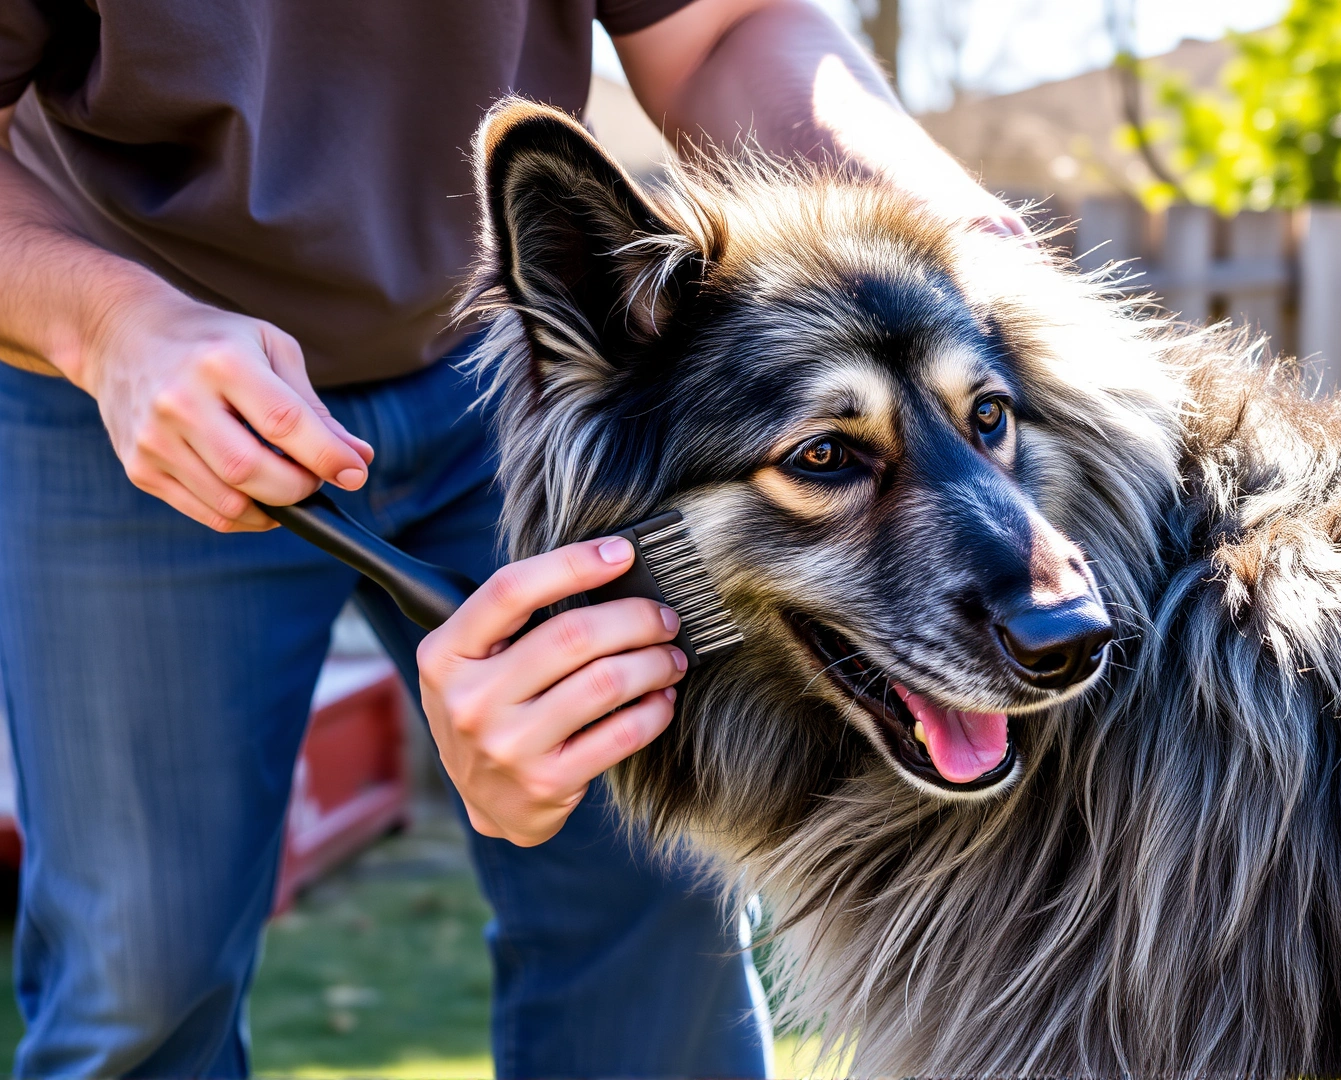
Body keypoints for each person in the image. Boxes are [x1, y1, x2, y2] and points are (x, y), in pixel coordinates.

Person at [0, 1, 1018, 1075]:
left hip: (525, 387)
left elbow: (721, 30)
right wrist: (108, 326)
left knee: (660, 889)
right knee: (138, 970)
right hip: (121, 366)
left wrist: (963, 232)